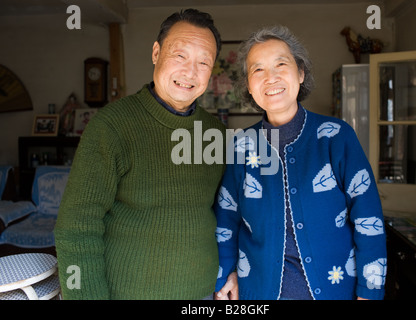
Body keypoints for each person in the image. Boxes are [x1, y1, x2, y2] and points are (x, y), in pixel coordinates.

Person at [54, 9, 225, 299]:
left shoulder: (215, 133)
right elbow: (76, 227)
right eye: (180, 56)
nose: (190, 72)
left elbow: (227, 215)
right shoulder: (112, 126)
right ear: (156, 53)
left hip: (204, 294)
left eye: (203, 62)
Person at [214, 25, 387, 300]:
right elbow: (226, 217)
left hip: (336, 291)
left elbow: (368, 217)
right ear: (248, 85)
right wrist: (227, 273)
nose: (270, 77)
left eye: (281, 64)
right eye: (257, 70)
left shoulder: (336, 137)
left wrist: (370, 291)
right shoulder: (241, 146)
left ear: (301, 72)